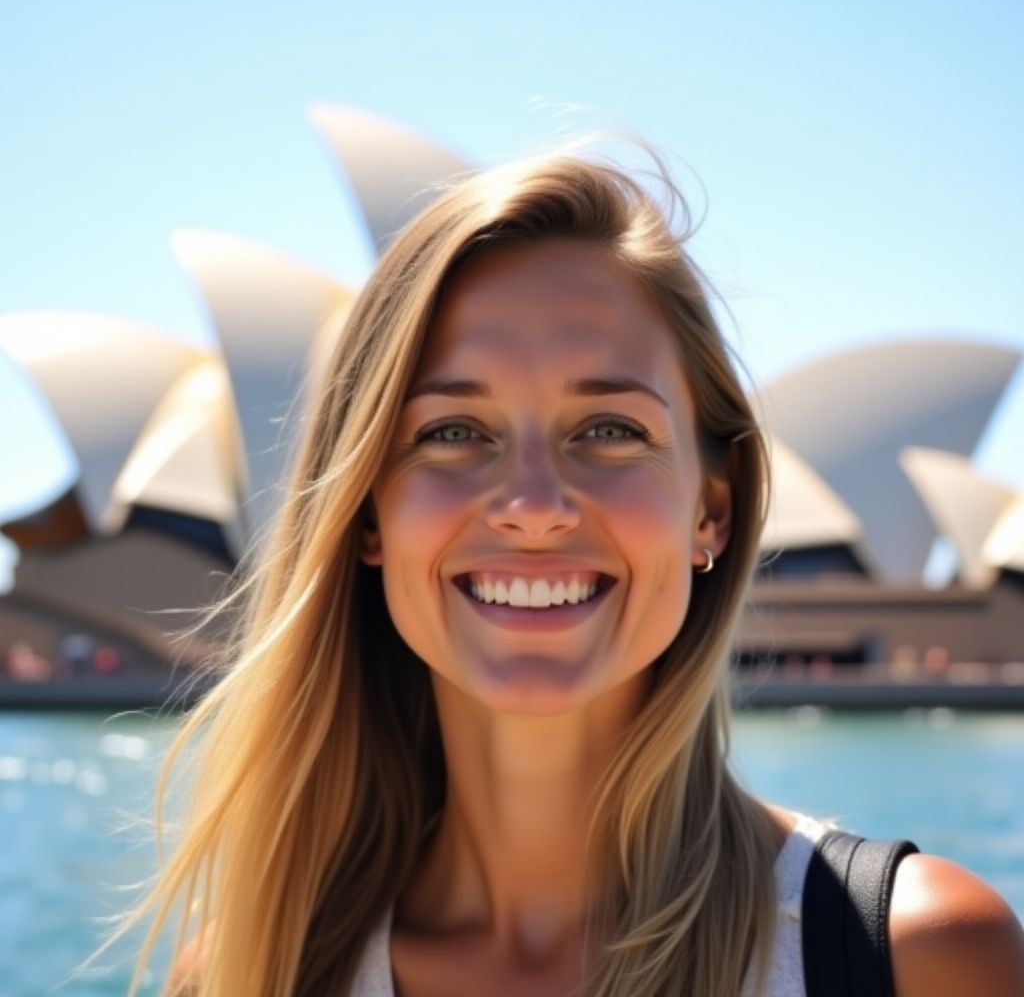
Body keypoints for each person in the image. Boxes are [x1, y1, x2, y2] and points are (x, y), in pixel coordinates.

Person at [129, 151, 1022, 996]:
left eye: (609, 429)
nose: (533, 504)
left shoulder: (913, 956)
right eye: (451, 433)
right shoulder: (249, 970)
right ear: (368, 514)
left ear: (710, 508)